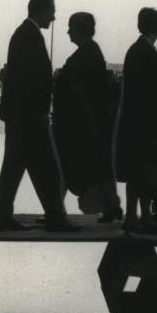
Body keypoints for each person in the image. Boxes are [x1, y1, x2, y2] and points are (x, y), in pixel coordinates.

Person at [0, 0, 79, 232]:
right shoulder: (29, 36)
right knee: (43, 167)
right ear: (40, 10)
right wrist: (40, 111)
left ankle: (13, 216)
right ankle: (53, 217)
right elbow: (31, 81)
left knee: (21, 167)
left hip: (23, 116)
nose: (54, 17)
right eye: (52, 11)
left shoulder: (26, 34)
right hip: (29, 117)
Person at [52, 12, 122, 222]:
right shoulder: (91, 51)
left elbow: (80, 91)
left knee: (83, 167)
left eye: (71, 28)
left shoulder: (86, 54)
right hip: (89, 123)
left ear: (80, 29)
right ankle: (111, 207)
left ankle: (57, 210)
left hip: (83, 124)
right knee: (97, 169)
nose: (67, 32)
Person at [114, 7, 157, 233]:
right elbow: (156, 85)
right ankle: (141, 216)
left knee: (136, 172)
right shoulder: (148, 52)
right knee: (145, 170)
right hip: (144, 122)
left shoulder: (134, 50)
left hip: (133, 120)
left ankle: (134, 216)